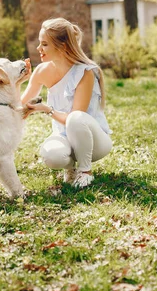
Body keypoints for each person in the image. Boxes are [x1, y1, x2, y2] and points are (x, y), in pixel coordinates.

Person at [21, 18, 112, 188]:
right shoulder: (42, 71)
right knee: (51, 156)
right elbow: (20, 106)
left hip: (95, 142)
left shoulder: (85, 72)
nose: (38, 48)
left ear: (62, 46)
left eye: (45, 44)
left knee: (76, 118)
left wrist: (47, 110)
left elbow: (76, 117)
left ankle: (85, 172)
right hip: (64, 137)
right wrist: (20, 80)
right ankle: (70, 169)